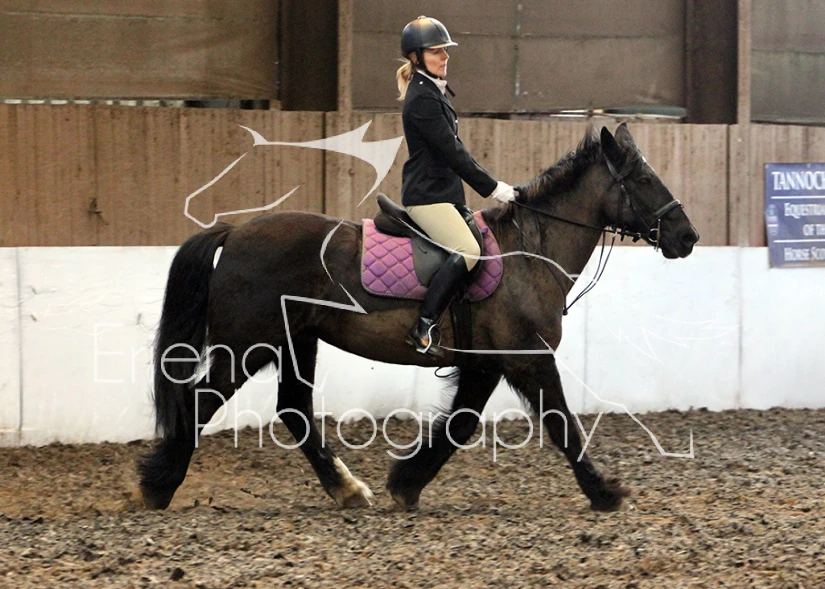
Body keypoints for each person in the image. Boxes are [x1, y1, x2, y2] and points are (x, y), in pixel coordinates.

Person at [397, 15, 517, 357]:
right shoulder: (422, 99)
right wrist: (493, 188)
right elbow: (453, 153)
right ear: (417, 57)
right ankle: (423, 326)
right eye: (436, 51)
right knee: (468, 250)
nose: (445, 56)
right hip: (426, 197)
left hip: (443, 196)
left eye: (445, 50)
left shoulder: (434, 92)